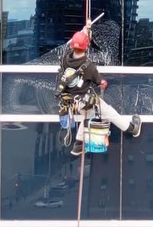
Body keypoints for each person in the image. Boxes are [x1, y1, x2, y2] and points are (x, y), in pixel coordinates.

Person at [56, 27, 142, 157]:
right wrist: (103, 82)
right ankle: (132, 129)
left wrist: (83, 33)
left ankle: (79, 145)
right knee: (109, 113)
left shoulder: (65, 59)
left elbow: (73, 46)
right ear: (86, 48)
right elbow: (98, 80)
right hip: (86, 101)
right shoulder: (88, 66)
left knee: (88, 115)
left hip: (70, 102)